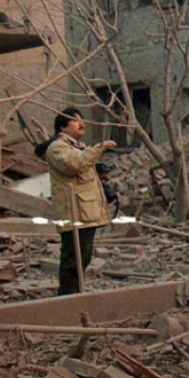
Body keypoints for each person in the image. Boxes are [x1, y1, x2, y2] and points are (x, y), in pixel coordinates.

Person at [35, 108, 116, 295]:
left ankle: (75, 296)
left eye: (82, 120)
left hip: (84, 211)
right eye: (75, 120)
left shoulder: (76, 147)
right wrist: (99, 148)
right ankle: (67, 299)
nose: (82, 124)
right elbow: (74, 165)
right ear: (63, 127)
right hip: (74, 212)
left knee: (83, 258)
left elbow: (81, 167)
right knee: (73, 260)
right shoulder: (57, 148)